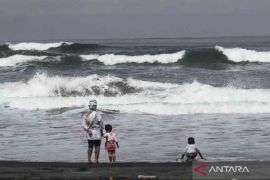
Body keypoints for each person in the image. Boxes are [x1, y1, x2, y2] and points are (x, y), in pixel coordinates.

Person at [82, 99, 103, 164]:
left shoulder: (85, 115)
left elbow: (84, 124)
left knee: (90, 146)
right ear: (95, 106)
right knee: (97, 146)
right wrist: (102, 131)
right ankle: (96, 160)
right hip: (97, 132)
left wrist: (87, 129)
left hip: (89, 131)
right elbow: (101, 123)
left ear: (89, 106)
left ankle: (89, 160)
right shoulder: (98, 114)